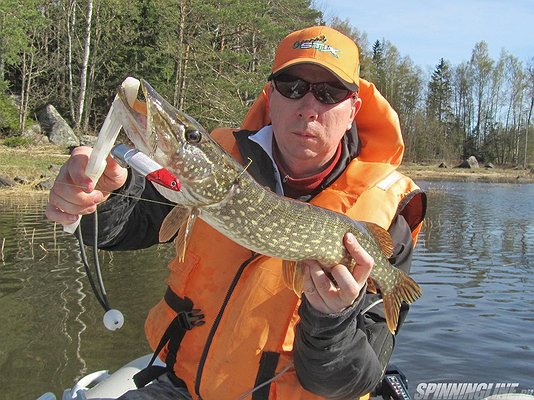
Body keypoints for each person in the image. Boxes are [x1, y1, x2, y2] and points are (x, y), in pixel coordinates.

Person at [46, 26, 426, 400]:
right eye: (292, 87)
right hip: (182, 387)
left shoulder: (390, 214)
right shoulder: (221, 159)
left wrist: (332, 321)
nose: (308, 108)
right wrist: (96, 195)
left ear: (352, 109)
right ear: (270, 95)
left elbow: (353, 379)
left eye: (329, 93)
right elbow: (133, 220)